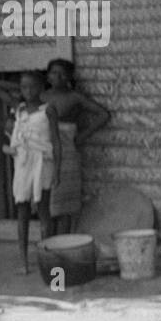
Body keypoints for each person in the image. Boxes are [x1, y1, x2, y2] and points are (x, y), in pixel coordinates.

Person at [41, 59, 110, 234]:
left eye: (63, 73)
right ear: (48, 75)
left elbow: (103, 114)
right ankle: (47, 247)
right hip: (44, 153)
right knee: (45, 201)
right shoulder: (41, 97)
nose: (58, 76)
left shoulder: (74, 97)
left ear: (70, 77)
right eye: (54, 72)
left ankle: (63, 245)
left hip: (67, 153)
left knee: (64, 204)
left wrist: (82, 136)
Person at [4, 70, 61, 273]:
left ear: (41, 88)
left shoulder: (48, 110)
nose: (28, 91)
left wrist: (58, 170)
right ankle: (23, 261)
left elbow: (56, 141)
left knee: (43, 210)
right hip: (22, 164)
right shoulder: (18, 111)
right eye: (23, 87)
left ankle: (47, 259)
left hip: (42, 163)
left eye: (32, 86)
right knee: (22, 211)